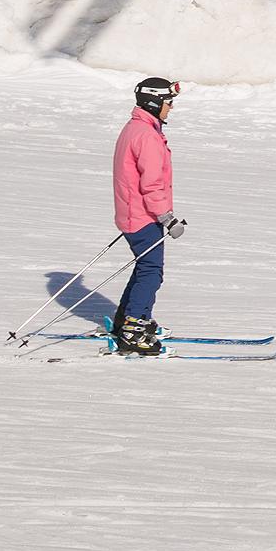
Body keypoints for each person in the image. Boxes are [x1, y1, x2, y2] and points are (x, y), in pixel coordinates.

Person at [110, 77, 184, 356]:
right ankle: (133, 330)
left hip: (133, 211)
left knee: (145, 268)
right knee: (152, 273)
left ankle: (126, 320)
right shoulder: (147, 136)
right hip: (143, 215)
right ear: (154, 102)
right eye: (169, 102)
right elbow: (151, 185)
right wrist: (166, 217)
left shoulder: (137, 128)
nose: (171, 108)